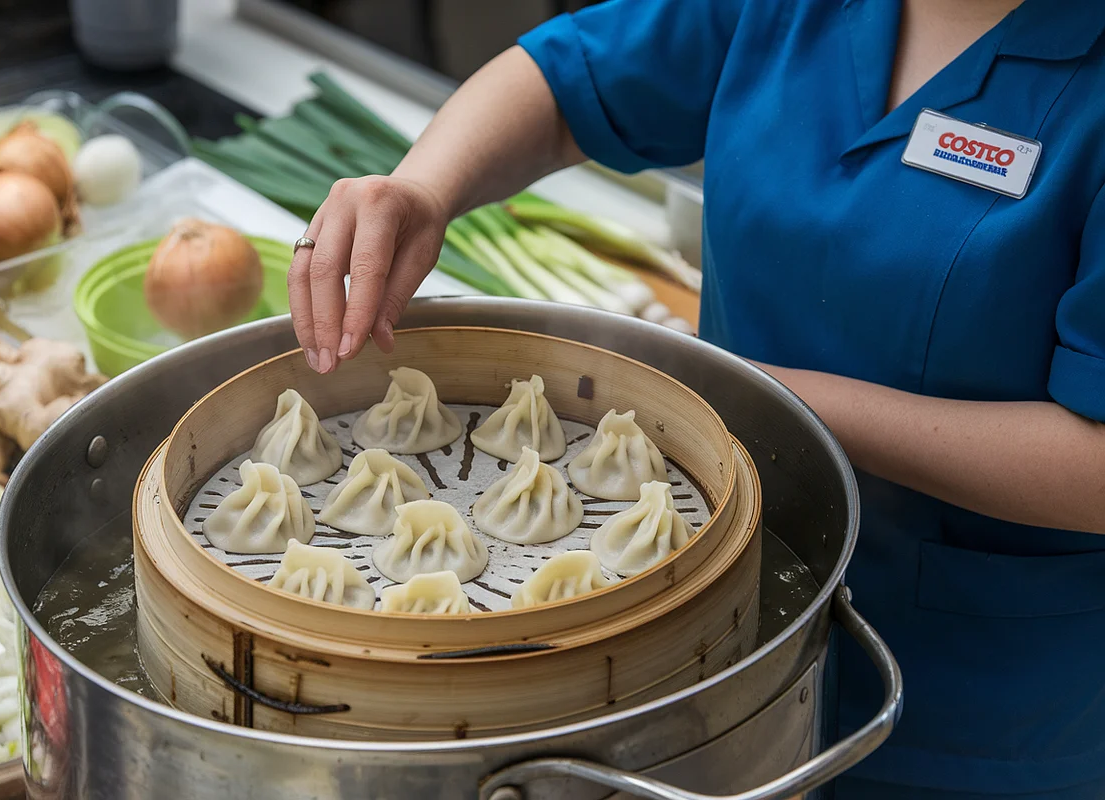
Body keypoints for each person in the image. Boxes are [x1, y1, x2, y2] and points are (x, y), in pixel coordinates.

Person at [286, 0, 1105, 797]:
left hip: (974, 699)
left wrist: (756, 396)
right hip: (695, 603)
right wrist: (424, 188)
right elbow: (568, 86)